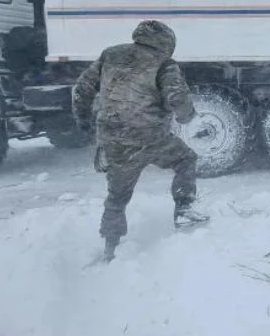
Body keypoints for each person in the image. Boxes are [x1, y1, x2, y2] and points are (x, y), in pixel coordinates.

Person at [72, 19, 209, 262]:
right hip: (149, 136)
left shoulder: (110, 55)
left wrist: (83, 121)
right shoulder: (164, 64)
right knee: (186, 159)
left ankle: (109, 249)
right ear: (167, 43)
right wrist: (188, 118)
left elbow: (82, 88)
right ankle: (184, 209)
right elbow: (177, 97)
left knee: (117, 195)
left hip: (113, 138)